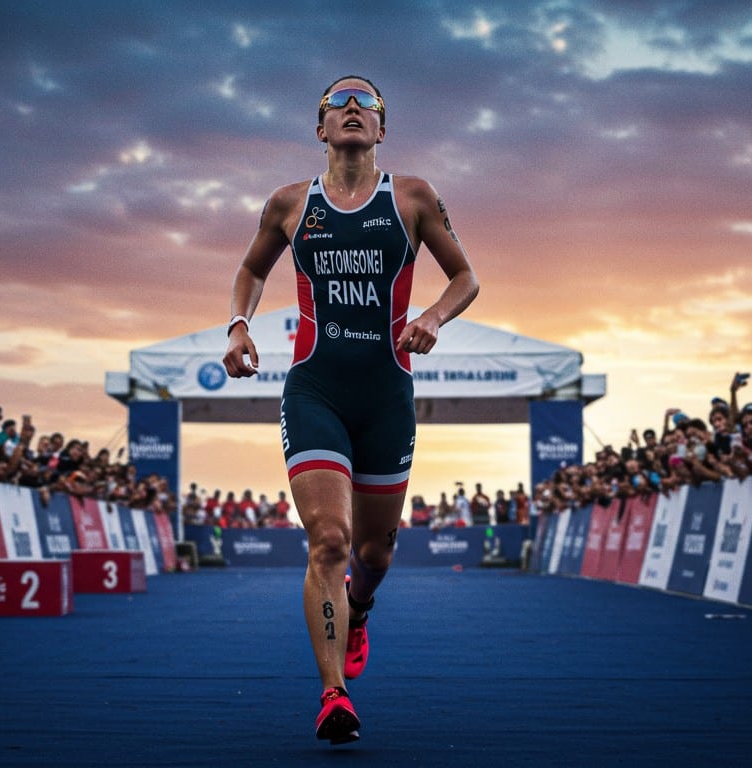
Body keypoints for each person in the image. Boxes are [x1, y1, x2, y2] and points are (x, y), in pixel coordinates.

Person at [221, 75, 478, 744]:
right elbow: (251, 271)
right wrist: (238, 326)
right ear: (322, 128)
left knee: (375, 552)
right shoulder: (287, 203)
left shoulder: (413, 196)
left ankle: (359, 611)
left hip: (386, 396)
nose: (354, 108)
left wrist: (433, 317)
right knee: (329, 541)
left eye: (367, 103)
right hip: (316, 390)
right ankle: (333, 693)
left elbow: (466, 276)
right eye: (341, 102)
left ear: (382, 130)